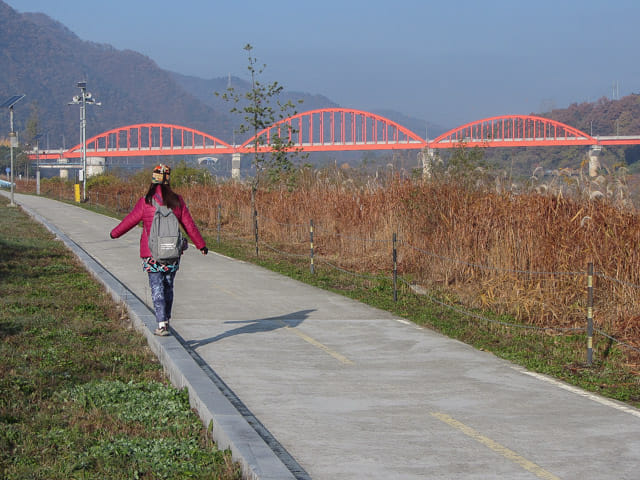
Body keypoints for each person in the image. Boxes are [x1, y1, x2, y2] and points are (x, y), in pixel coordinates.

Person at [110, 164, 208, 336]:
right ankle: (167, 319)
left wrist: (114, 233)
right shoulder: (177, 201)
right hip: (172, 252)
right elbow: (189, 225)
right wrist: (201, 245)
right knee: (168, 286)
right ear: (169, 181)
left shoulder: (146, 201)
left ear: (153, 181)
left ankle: (161, 323)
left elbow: (130, 221)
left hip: (151, 253)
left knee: (156, 287)